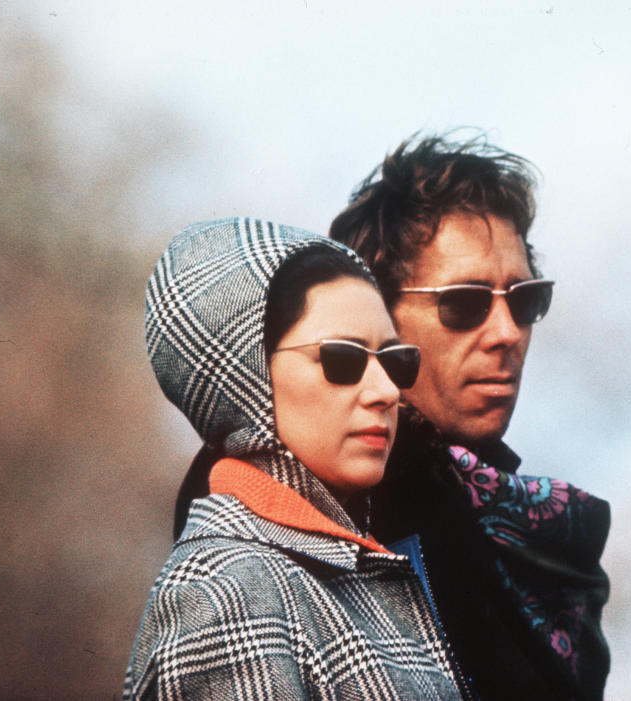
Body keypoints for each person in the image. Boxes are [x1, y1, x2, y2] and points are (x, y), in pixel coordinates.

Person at [125, 217, 463, 700]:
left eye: (396, 360)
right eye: (342, 360)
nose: (388, 391)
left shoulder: (335, 569)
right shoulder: (228, 592)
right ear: (248, 377)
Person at [328, 134, 612, 700]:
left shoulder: (522, 525)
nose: (507, 333)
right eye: (465, 302)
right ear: (377, 319)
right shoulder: (329, 524)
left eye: (525, 299)